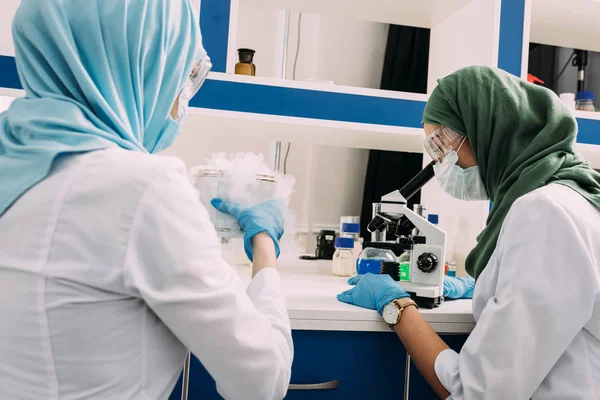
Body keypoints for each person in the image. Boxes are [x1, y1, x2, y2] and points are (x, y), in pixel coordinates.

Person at [0, 1, 292, 399]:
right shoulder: (141, 189)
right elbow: (262, 382)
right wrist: (265, 246)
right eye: (179, 74)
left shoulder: (12, 160)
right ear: (141, 66)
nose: (180, 99)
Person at [337, 66, 600, 399]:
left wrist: (396, 306)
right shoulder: (576, 196)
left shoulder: (544, 212)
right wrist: (484, 284)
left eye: (445, 144)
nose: (443, 163)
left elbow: (478, 393)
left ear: (491, 129)